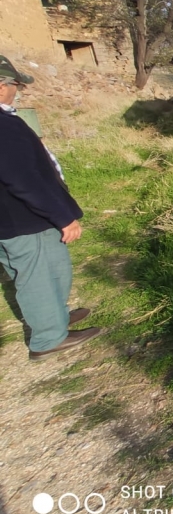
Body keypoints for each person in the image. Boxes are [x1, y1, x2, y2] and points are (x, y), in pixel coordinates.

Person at [0, 55, 99, 359]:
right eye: (14, 83)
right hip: (24, 218)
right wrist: (61, 216)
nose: (16, 90)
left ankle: (56, 316)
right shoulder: (2, 125)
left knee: (44, 270)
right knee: (37, 275)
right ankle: (48, 338)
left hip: (11, 219)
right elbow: (22, 178)